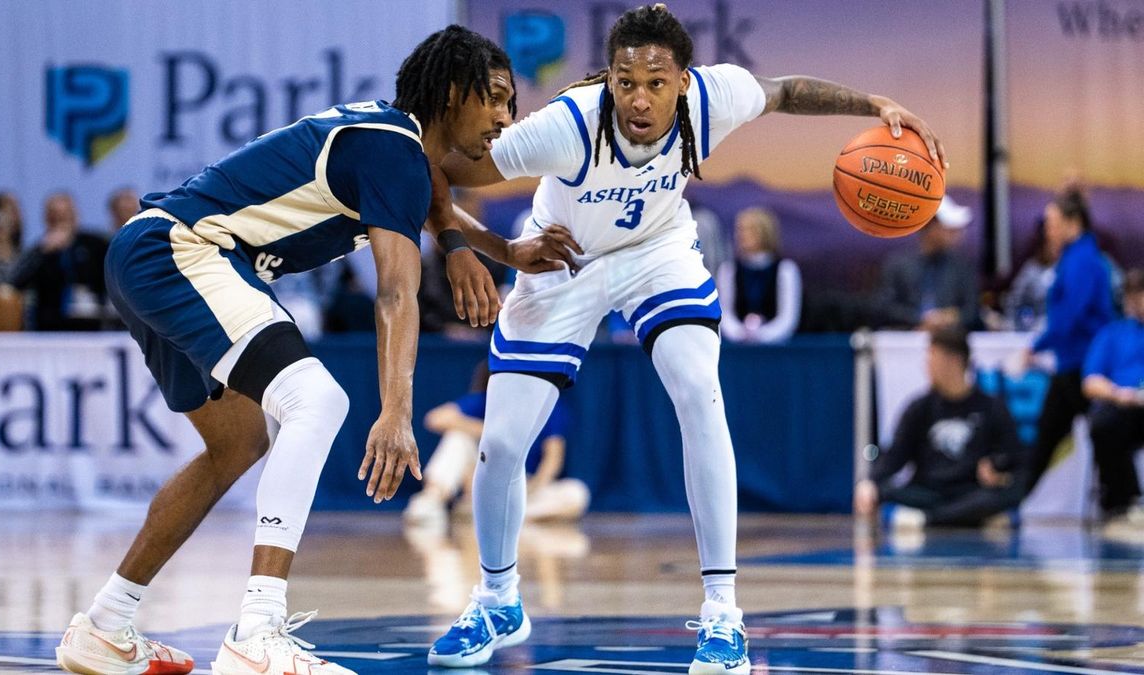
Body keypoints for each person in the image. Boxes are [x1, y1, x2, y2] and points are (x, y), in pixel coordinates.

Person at [428, 5, 947, 672]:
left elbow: (787, 91)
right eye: (624, 81)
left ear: (683, 81)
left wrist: (874, 103)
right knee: (500, 443)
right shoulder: (564, 128)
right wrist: (489, 247)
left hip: (657, 252)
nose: (638, 98)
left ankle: (723, 614)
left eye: (655, 82)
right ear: (608, 81)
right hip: (562, 261)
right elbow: (432, 176)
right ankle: (499, 598)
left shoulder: (714, 96)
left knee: (700, 392)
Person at [55, 26, 572, 675]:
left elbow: (436, 194)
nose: (506, 116)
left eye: (511, 103)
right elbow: (395, 293)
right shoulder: (394, 151)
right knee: (318, 399)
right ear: (449, 93)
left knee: (237, 444)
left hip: (149, 255)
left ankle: (105, 623)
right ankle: (257, 632)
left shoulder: (396, 145)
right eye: (494, 97)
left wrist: (494, 248)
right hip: (183, 252)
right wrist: (395, 409)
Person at [854, 325, 1026, 528]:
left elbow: (1015, 458)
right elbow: (894, 456)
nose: (927, 366)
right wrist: (870, 482)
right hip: (929, 490)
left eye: (932, 359)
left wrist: (997, 469)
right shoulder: (920, 407)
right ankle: (967, 519)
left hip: (971, 489)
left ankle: (928, 520)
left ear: (954, 361)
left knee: (1008, 494)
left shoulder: (991, 407)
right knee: (884, 491)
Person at [404, 364, 585, 527]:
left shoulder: (550, 407)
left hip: (525, 488)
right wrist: (490, 432)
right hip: (483, 485)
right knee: (457, 438)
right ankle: (432, 499)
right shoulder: (486, 401)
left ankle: (504, 517)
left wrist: (530, 490)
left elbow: (553, 460)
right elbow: (435, 419)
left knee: (576, 493)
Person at [1024, 189, 1115, 494]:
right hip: (1073, 362)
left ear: (1073, 222)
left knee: (1098, 430)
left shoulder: (1082, 261)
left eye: (1052, 222)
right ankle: (1015, 500)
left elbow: (1070, 316)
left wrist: (1035, 346)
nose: (1047, 230)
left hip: (1083, 364)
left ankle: (1119, 499)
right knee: (1055, 435)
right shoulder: (1074, 258)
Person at [1082, 268, 1144, 520]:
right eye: (1135, 295)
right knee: (1103, 425)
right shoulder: (1112, 333)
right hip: (1124, 405)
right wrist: (1120, 394)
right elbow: (1090, 382)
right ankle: (1125, 503)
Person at [874, 194, 979, 331]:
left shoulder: (962, 268)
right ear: (929, 226)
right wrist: (919, 319)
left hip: (948, 342)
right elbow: (884, 308)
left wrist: (950, 318)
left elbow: (973, 311)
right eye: (949, 228)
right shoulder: (898, 265)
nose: (958, 234)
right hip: (904, 342)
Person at [12, 192, 109, 330]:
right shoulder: (39, 249)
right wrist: (42, 252)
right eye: (54, 215)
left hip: (91, 324)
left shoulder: (95, 244)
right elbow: (17, 282)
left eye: (64, 214)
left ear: (75, 216)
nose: (59, 219)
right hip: (49, 325)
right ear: (46, 218)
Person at [715, 206, 802, 344]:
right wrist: (740, 334)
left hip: (776, 349)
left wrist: (762, 336)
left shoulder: (786, 270)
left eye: (749, 230)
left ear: (765, 232)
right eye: (740, 230)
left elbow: (788, 318)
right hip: (738, 348)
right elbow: (724, 313)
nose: (741, 235)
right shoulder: (728, 270)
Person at [1002, 218, 1062, 332]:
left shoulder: (1070, 268)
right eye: (1050, 244)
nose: (1055, 249)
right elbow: (1014, 302)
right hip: (1036, 332)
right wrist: (1014, 328)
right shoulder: (1031, 270)